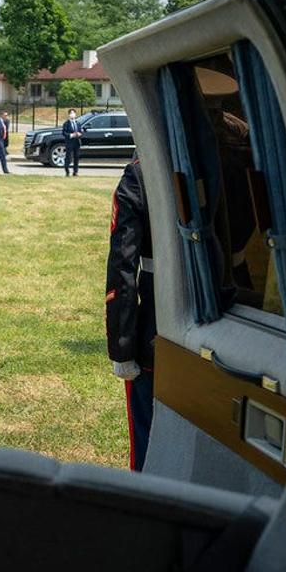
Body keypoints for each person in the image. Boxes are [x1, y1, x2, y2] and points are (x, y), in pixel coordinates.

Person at [105, 154, 156, 470]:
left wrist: (122, 348)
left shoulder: (141, 174)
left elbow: (124, 266)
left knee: (147, 441)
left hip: (159, 323)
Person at [62, 109, 83, 176]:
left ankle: (75, 171)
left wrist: (79, 134)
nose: (72, 114)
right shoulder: (66, 124)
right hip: (69, 142)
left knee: (76, 157)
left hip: (76, 142)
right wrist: (71, 135)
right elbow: (64, 133)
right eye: (71, 113)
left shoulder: (78, 123)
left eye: (74, 113)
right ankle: (67, 171)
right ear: (69, 115)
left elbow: (81, 131)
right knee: (68, 157)